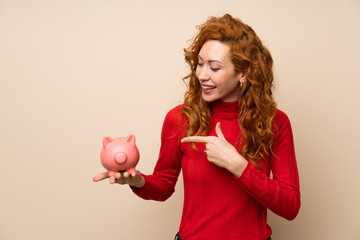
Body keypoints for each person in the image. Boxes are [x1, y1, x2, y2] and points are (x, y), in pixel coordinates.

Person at [93, 14, 300, 240]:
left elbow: (290, 206)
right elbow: (164, 185)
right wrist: (137, 180)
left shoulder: (275, 123)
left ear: (243, 73)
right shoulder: (180, 119)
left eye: (214, 67)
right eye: (200, 64)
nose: (202, 75)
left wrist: (239, 166)